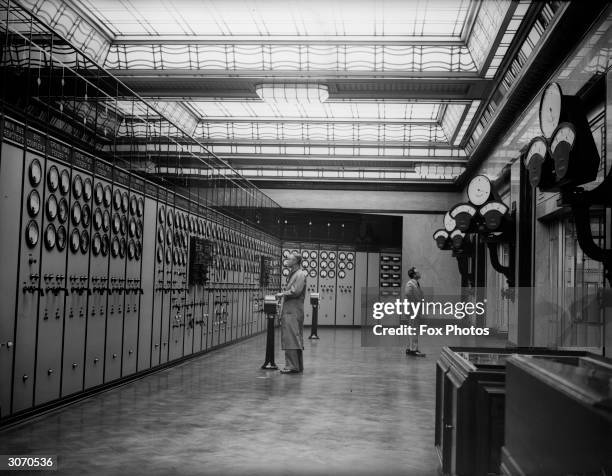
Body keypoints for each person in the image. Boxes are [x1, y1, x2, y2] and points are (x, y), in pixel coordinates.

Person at [276, 252, 307, 373]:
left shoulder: (299, 275)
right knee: (294, 337)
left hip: (293, 311)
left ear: (295, 262)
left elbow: (296, 292)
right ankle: (297, 365)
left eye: (289, 259)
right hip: (291, 310)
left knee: (291, 338)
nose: (287, 261)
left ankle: (292, 366)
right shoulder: (293, 274)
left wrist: (282, 293)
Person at [404, 266, 426, 357]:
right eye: (417, 272)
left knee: (412, 329)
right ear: (413, 274)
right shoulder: (410, 283)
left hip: (414, 309)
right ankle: (414, 350)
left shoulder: (415, 283)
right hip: (413, 309)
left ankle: (410, 348)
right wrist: (416, 303)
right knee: (414, 329)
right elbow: (408, 294)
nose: (419, 273)